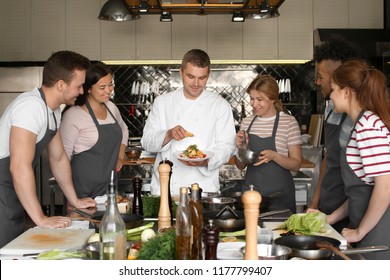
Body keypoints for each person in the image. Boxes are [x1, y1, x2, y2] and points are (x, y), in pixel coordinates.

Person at [0, 50, 96, 248]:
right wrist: (41, 218)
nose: (81, 91)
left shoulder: (52, 111)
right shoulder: (31, 107)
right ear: (61, 85)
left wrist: (74, 200)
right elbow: (18, 167)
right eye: (78, 86)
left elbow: (58, 158)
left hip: (11, 190)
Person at [141, 49, 236, 195]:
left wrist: (207, 161)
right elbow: (146, 142)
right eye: (191, 76)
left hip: (204, 189)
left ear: (208, 75)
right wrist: (168, 134)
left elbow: (228, 146)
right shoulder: (163, 103)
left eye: (202, 78)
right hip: (166, 189)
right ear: (181, 72)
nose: (196, 83)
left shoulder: (220, 105)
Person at [327, 60, 390, 260]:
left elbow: (385, 187)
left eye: (334, 89)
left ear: (346, 92)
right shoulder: (361, 124)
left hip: (379, 230)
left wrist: (360, 231)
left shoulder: (367, 127)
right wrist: (330, 218)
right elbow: (361, 190)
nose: (330, 95)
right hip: (368, 224)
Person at [306, 36, 359, 232]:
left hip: (353, 211)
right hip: (330, 205)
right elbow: (329, 157)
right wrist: (315, 200)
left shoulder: (365, 121)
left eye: (321, 76)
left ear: (338, 77)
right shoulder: (331, 110)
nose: (317, 81)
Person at [235, 75, 302, 213]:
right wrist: (241, 148)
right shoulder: (247, 122)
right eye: (252, 98)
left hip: (280, 197)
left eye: (260, 99)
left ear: (272, 99)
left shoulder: (289, 122)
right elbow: (240, 166)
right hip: (252, 195)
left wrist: (275, 156)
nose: (254, 104)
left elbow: (296, 165)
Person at [60, 62, 128, 198]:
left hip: (109, 188)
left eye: (110, 84)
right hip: (82, 192)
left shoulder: (111, 107)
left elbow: (124, 130)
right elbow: (63, 159)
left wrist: (120, 155)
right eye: (102, 87)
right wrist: (71, 199)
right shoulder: (74, 115)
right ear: (88, 88)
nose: (109, 90)